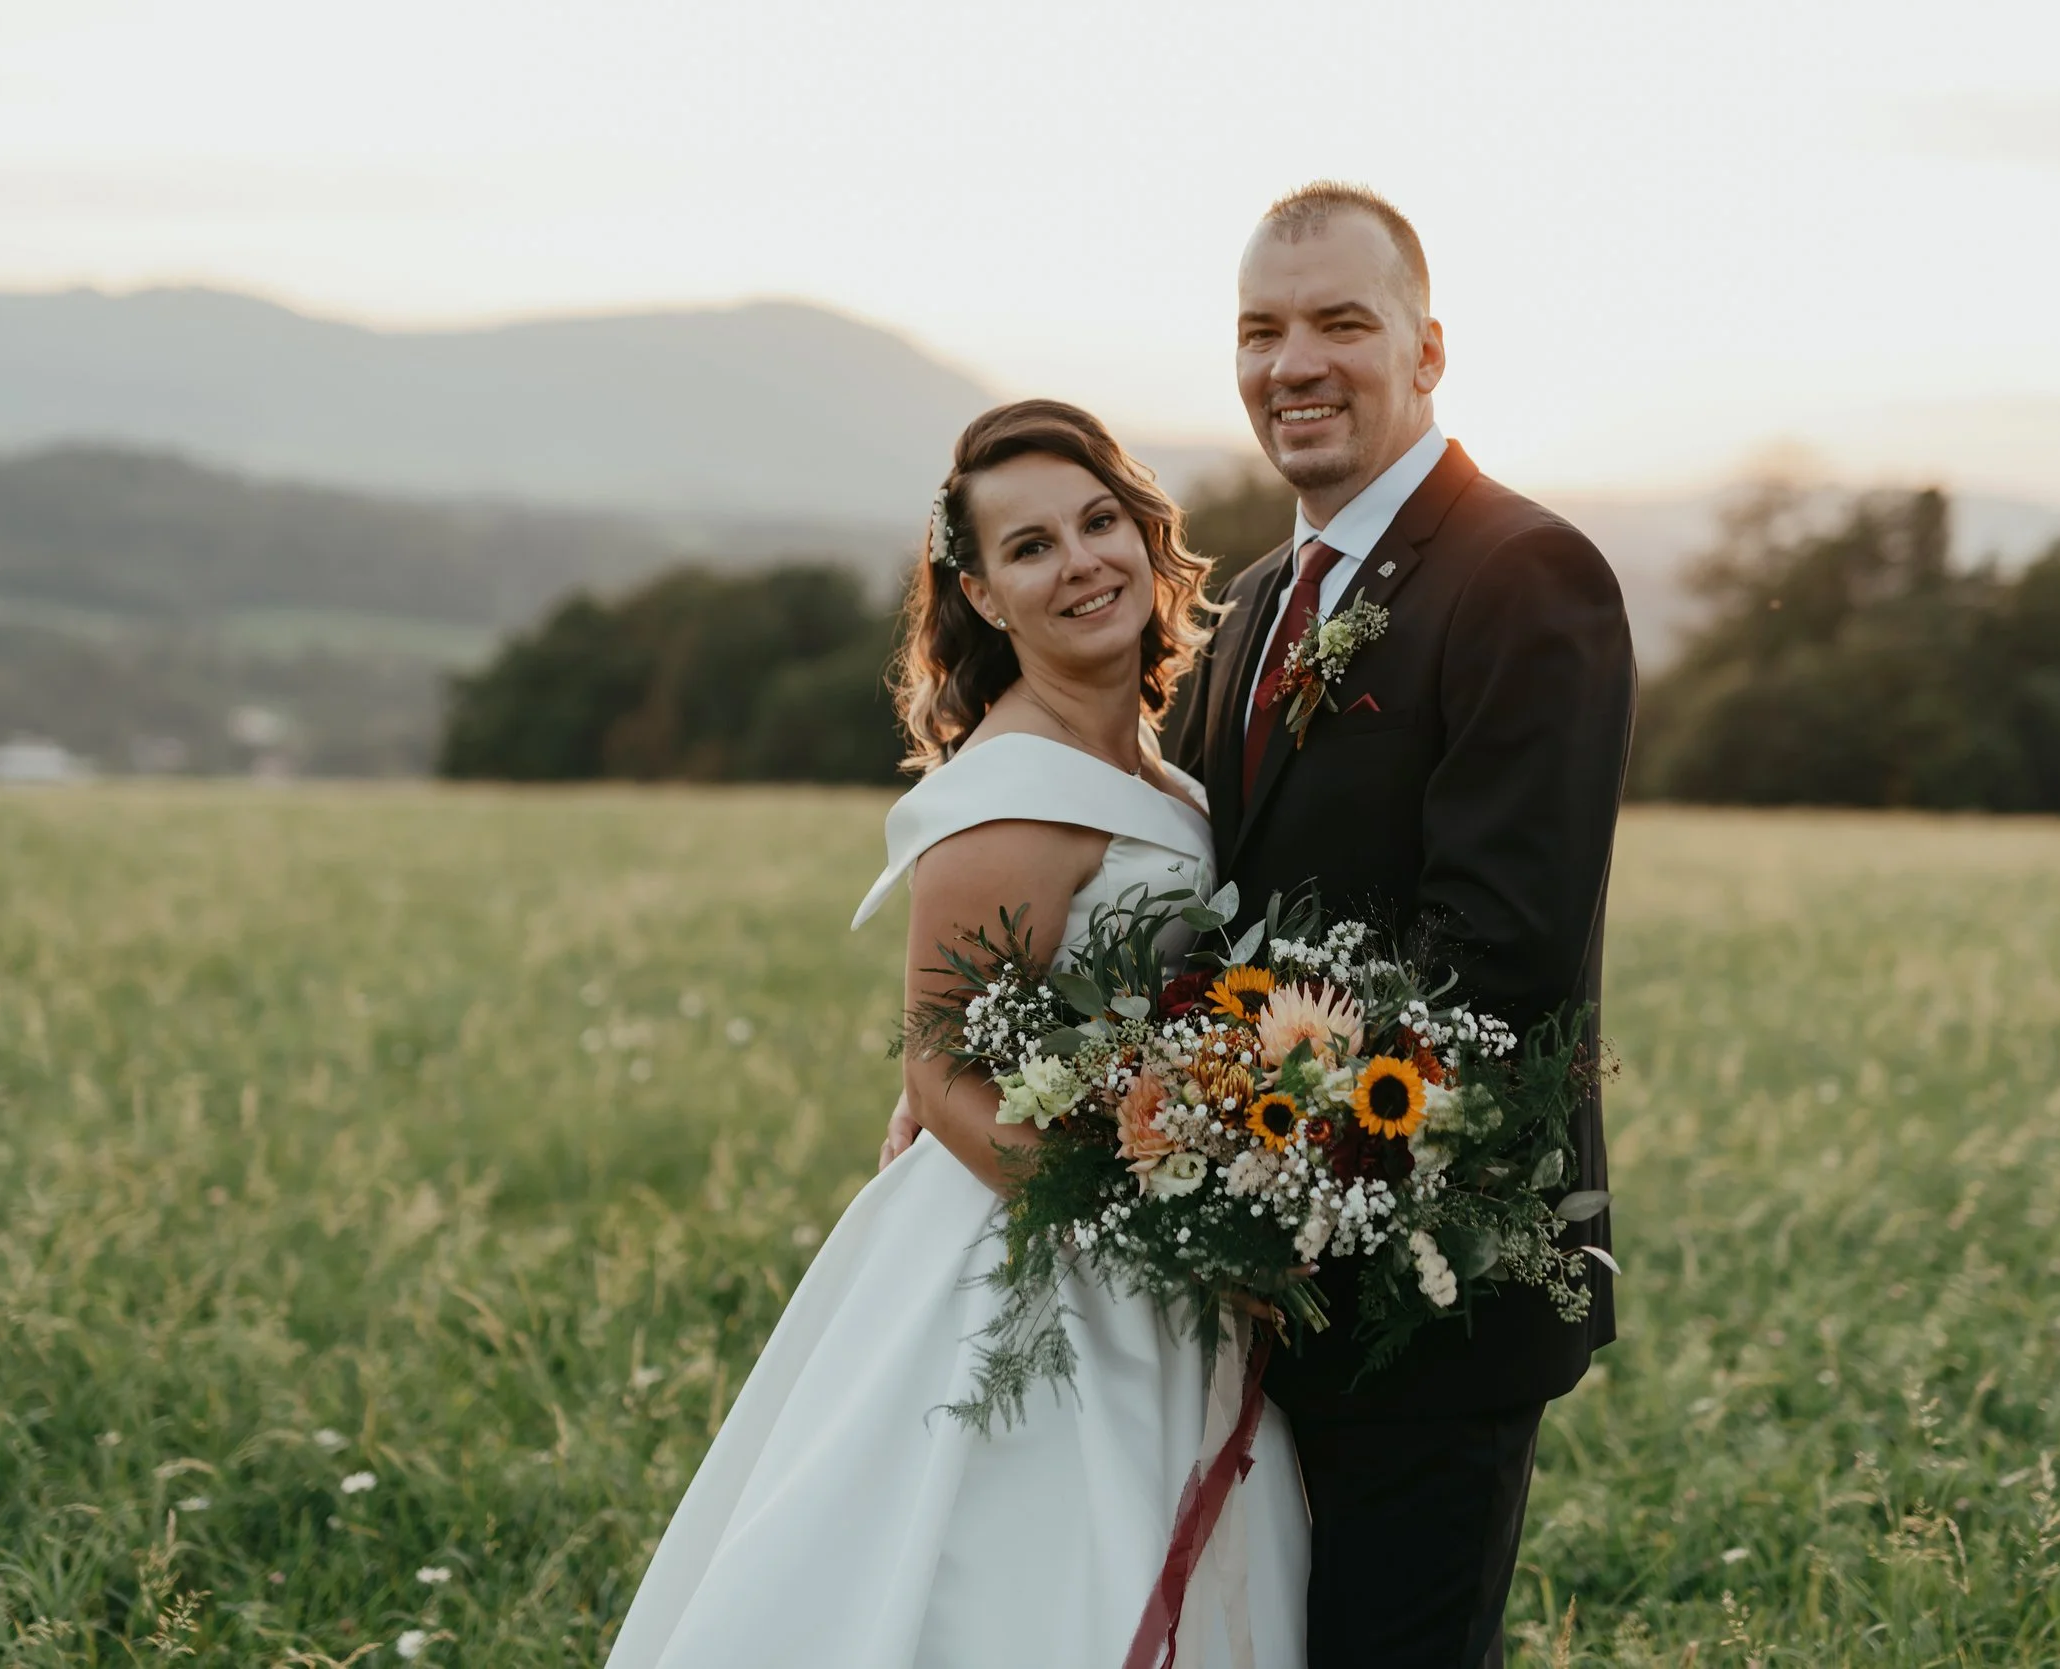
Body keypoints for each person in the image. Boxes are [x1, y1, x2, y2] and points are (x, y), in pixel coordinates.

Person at [604, 400, 1308, 1669]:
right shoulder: (1008, 791)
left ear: (1148, 536)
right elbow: (936, 1072)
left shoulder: (1160, 770)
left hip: (1143, 1207)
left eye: (1100, 521)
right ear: (982, 595)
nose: (1082, 561)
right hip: (1034, 1254)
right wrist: (1156, 1235)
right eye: (1029, 546)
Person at [1164, 180, 1637, 1669]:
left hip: (1434, 1288)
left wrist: (1260, 1152)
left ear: (1428, 351)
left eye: (1339, 323)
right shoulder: (1250, 606)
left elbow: (1498, 950)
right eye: (1260, 330)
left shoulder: (1525, 576)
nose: (1292, 362)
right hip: (1248, 1288)